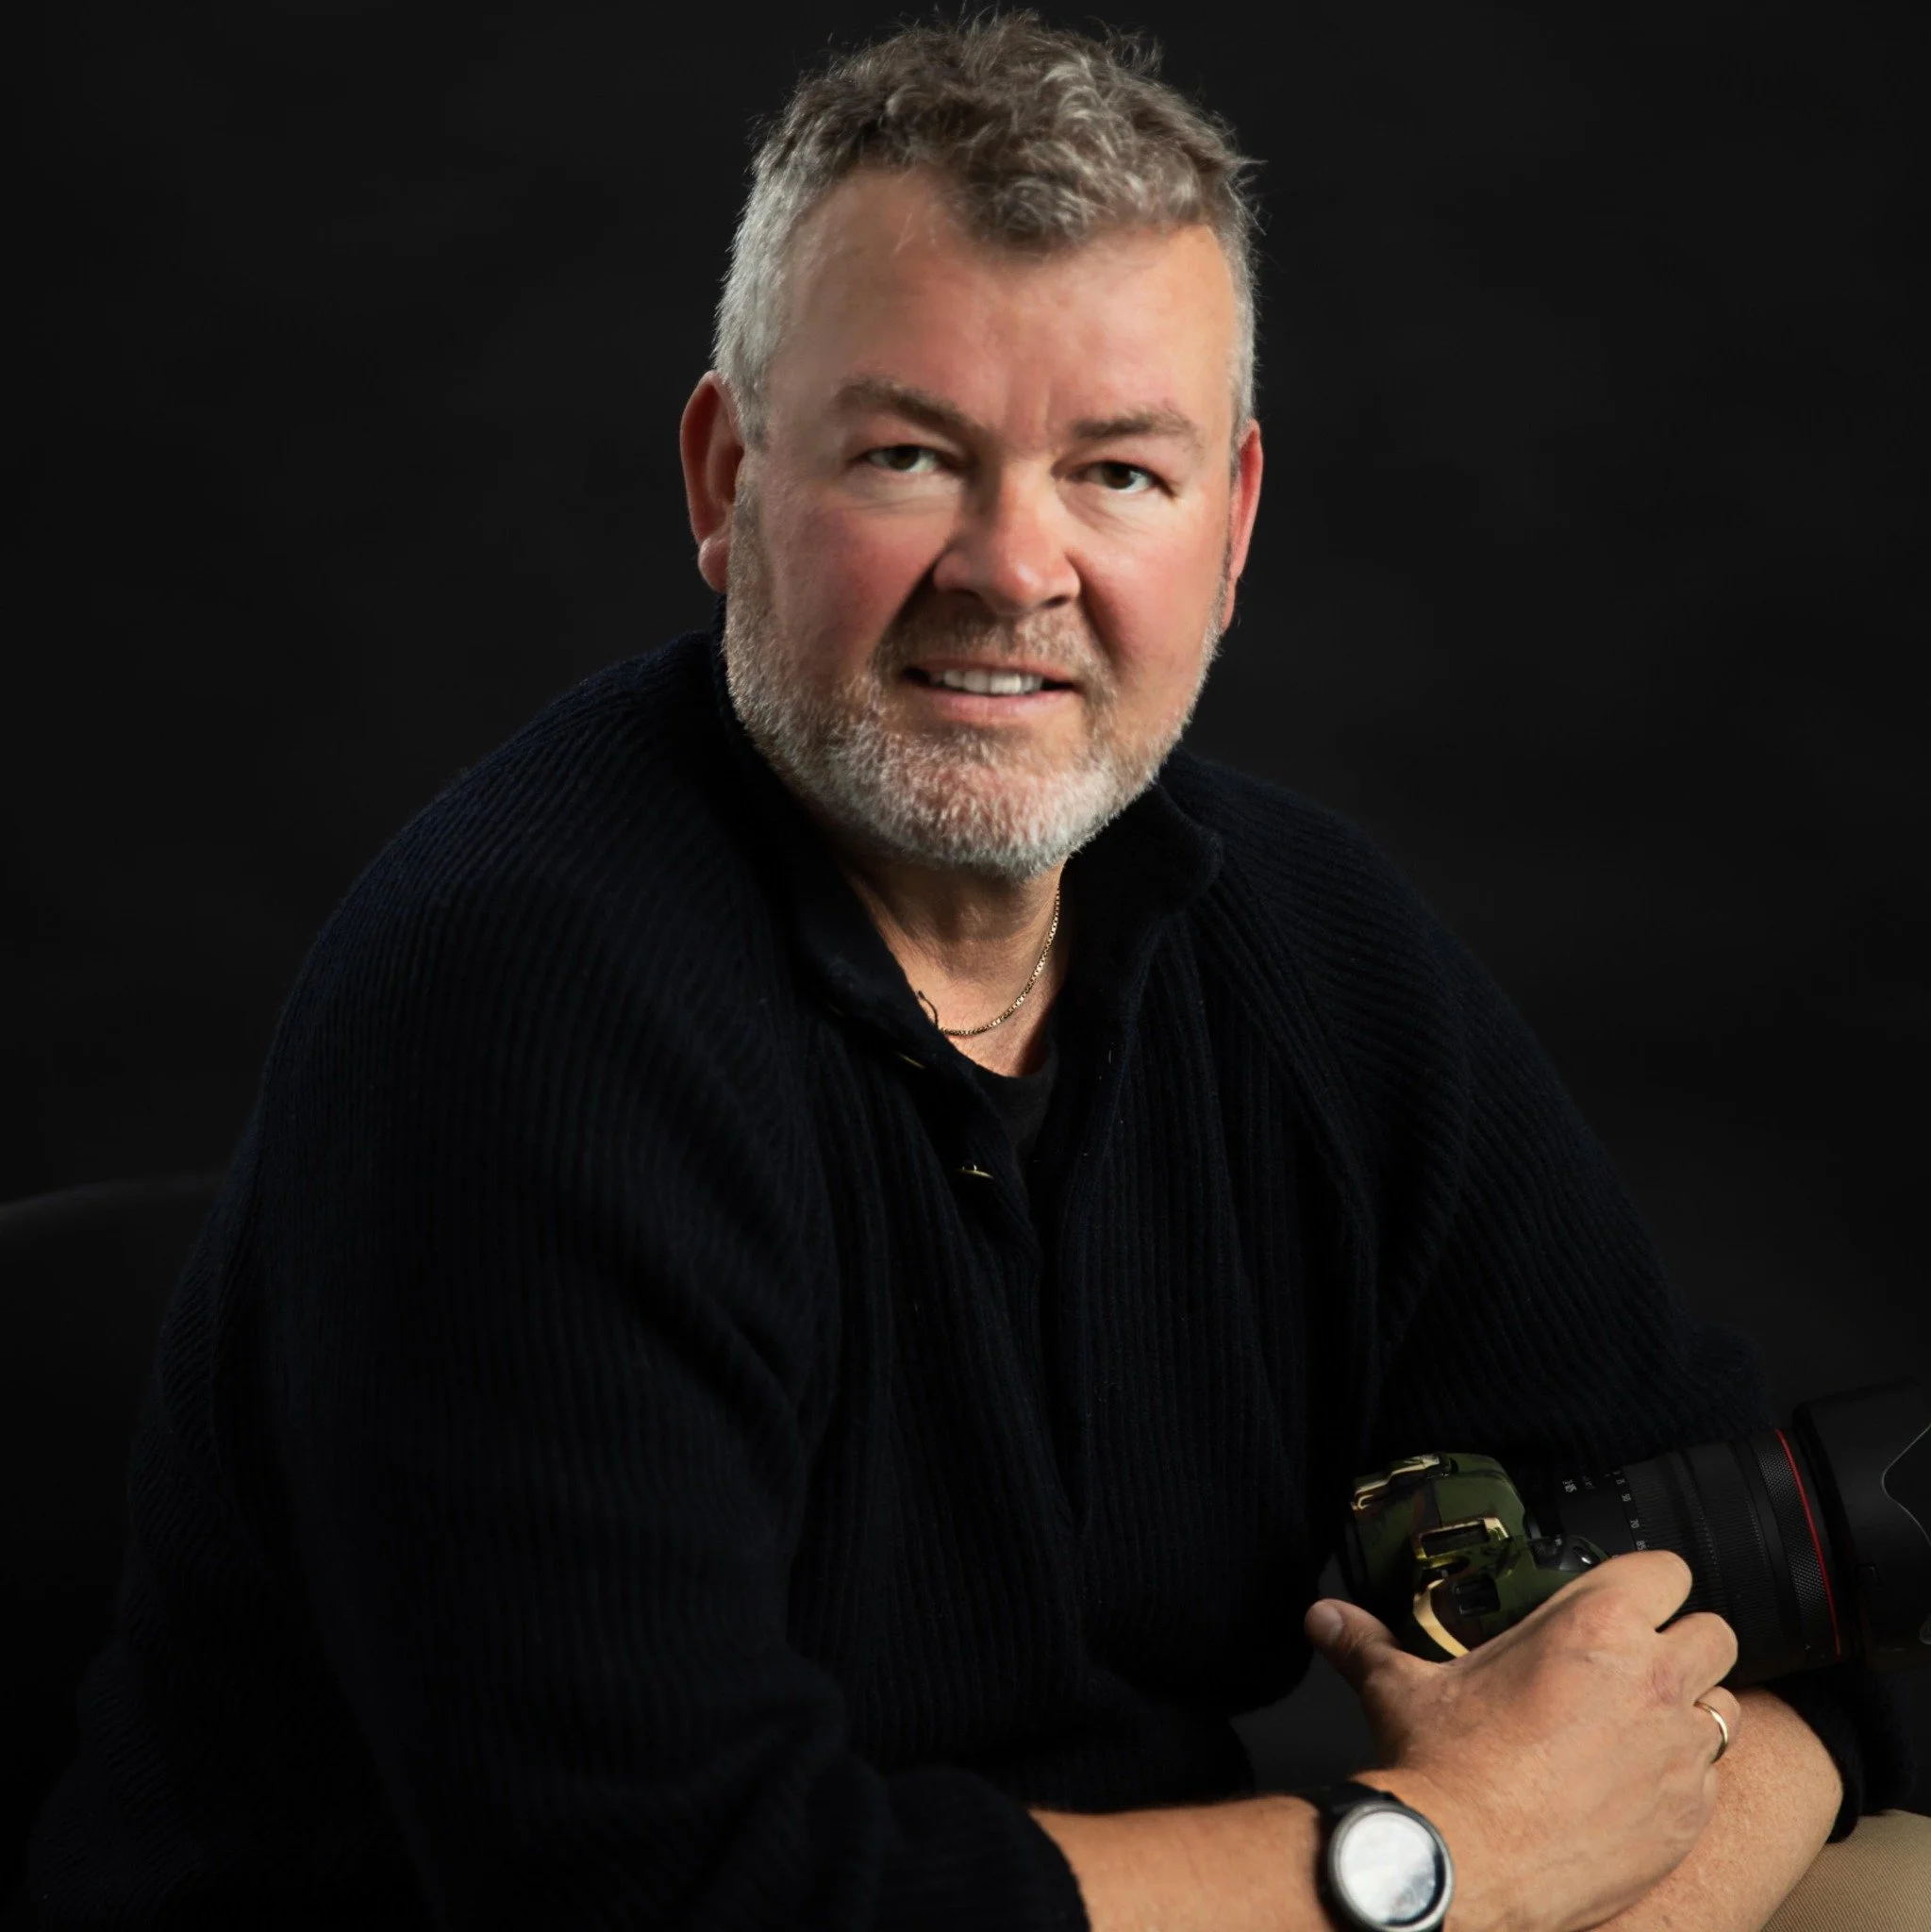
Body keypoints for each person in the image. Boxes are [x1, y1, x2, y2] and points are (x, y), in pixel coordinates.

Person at [28, 14, 1923, 1929]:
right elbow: (685, 1901)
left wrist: (1635, 1834)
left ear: (1234, 523)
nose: (1015, 569)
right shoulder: (524, 1008)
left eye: (1119, 473)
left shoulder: (1304, 951)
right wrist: (1448, 1862)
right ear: (725, 476)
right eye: (912, 456)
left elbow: (1802, 1582)